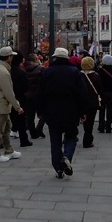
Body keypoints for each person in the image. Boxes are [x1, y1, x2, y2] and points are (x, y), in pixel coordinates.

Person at [37, 48, 88, 179]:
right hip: (71, 111)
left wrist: (40, 110)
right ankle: (67, 157)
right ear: (67, 58)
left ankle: (58, 169)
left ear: (54, 58)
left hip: (52, 112)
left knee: (55, 141)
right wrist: (83, 112)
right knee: (71, 136)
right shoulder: (75, 72)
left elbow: (40, 93)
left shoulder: (47, 72)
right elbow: (82, 94)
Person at [0, 46, 23, 163]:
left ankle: (9, 150)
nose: (12, 58)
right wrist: (17, 107)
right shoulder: (4, 72)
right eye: (11, 56)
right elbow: (9, 92)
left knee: (7, 128)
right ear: (8, 57)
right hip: (1, 104)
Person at [79, 56, 103, 148]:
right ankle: (87, 140)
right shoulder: (95, 75)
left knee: (84, 120)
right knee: (90, 121)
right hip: (92, 101)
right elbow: (100, 89)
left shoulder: (78, 75)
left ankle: (86, 137)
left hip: (81, 101)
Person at [9, 52, 31, 145]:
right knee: (21, 120)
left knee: (6, 121)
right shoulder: (21, 71)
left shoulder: (7, 70)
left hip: (7, 98)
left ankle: (1, 142)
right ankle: (24, 140)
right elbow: (26, 86)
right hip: (20, 98)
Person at [22, 54, 46, 139]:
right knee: (45, 113)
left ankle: (33, 133)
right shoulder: (41, 69)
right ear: (35, 60)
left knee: (30, 116)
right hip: (39, 95)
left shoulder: (23, 69)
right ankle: (39, 128)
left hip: (27, 95)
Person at [97, 55, 112, 133]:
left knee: (102, 109)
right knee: (110, 110)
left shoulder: (100, 70)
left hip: (102, 93)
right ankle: (108, 127)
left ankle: (101, 127)